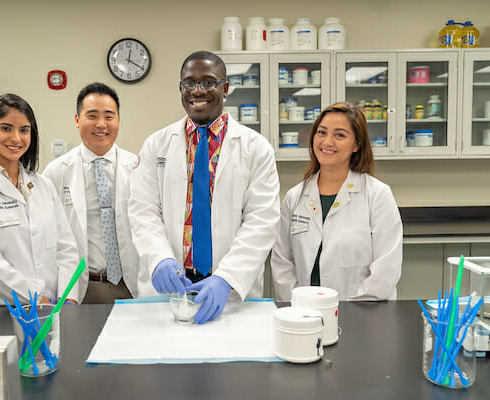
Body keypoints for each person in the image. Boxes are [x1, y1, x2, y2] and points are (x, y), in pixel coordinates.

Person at [128, 51, 280, 324]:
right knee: (164, 361)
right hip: (171, 286)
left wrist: (226, 278)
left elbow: (262, 221)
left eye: (209, 83)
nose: (198, 91)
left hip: (227, 286)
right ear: (180, 89)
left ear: (225, 88)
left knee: (231, 364)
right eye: (189, 83)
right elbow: (143, 210)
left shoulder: (256, 148)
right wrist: (160, 259)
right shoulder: (156, 145)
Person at [0, 94, 81, 306]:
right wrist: (37, 297)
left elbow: (66, 248)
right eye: (6, 128)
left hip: (54, 310)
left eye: (24, 130)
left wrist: (69, 298)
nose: (16, 138)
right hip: (2, 311)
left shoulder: (43, 185)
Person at [271, 102, 402, 301]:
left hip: (361, 314)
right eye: (321, 132)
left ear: (357, 144)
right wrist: (297, 306)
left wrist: (351, 310)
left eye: (340, 135)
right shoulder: (295, 197)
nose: (327, 141)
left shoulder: (377, 195)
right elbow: (282, 262)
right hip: (303, 315)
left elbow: (386, 268)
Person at [43, 83, 139, 303]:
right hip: (81, 289)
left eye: (109, 116)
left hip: (130, 286)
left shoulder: (136, 167)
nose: (101, 124)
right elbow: (46, 235)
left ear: (118, 120)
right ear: (77, 120)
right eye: (92, 116)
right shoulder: (56, 171)